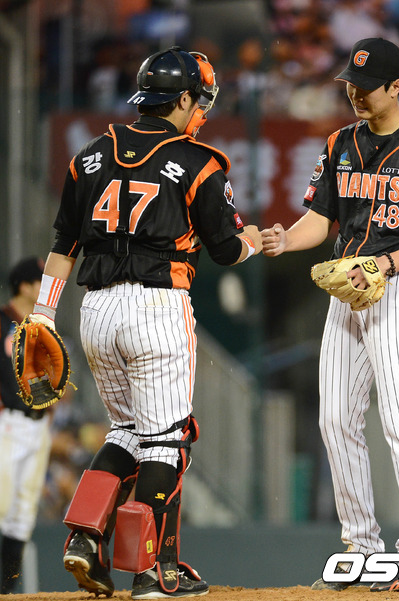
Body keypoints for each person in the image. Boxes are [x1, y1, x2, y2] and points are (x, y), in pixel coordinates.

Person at [30, 46, 262, 599]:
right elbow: (227, 250)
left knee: (126, 433)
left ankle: (85, 537)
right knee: (166, 444)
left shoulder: (90, 154)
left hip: (94, 310)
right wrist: (255, 240)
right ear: (180, 100)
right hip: (156, 307)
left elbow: (63, 246)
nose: (200, 109)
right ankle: (151, 572)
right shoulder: (200, 161)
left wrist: (43, 312)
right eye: (198, 99)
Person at [261, 37, 399, 592]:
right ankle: (362, 547)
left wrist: (386, 264)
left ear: (397, 86)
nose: (355, 93)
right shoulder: (339, 142)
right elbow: (320, 219)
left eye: (367, 87)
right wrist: (286, 239)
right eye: (351, 83)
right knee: (335, 420)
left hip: (398, 287)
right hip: (347, 288)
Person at [0, 257, 52, 594]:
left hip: (37, 425)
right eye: (39, 281)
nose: (43, 288)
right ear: (23, 285)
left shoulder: (41, 326)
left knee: (22, 512)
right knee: (1, 504)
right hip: (7, 422)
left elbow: (49, 379)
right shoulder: (2, 321)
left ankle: (7, 589)